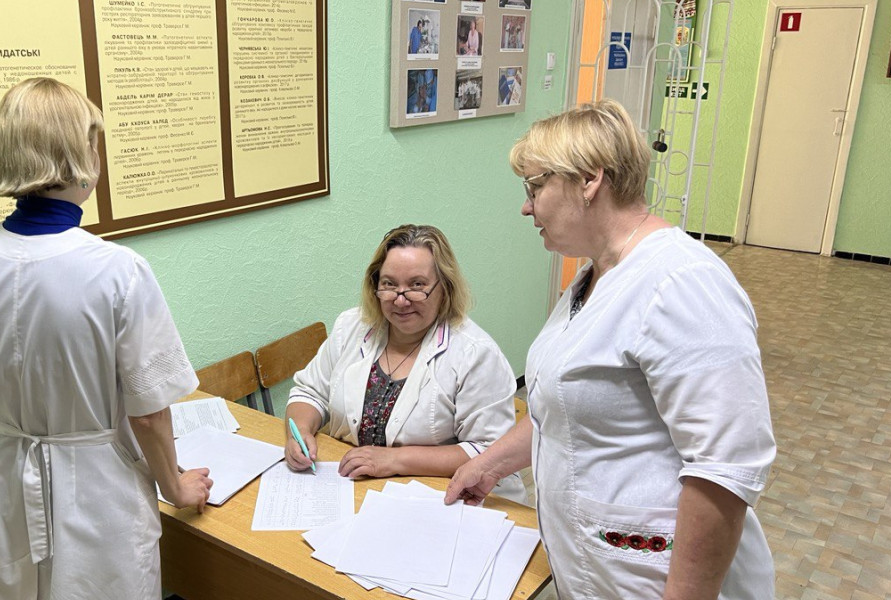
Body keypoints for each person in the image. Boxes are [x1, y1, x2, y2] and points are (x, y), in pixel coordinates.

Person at [444, 99, 776, 598]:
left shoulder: (682, 281)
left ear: (588, 180)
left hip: (659, 580)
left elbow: (724, 469)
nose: (526, 207)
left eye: (535, 187)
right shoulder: (596, 274)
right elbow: (565, 405)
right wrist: (489, 464)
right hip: (596, 570)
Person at [0, 77, 213, 599]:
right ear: (81, 157)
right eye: (93, 142)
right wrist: (175, 487)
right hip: (94, 489)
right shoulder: (117, 271)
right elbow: (148, 413)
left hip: (3, 479)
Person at [284, 225, 526, 503]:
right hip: (353, 487)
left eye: (417, 285)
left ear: (444, 288)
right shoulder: (351, 326)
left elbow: (488, 452)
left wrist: (394, 460)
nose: (400, 300)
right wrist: (300, 432)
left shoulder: (475, 353)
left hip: (442, 496)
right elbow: (309, 392)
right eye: (389, 284)